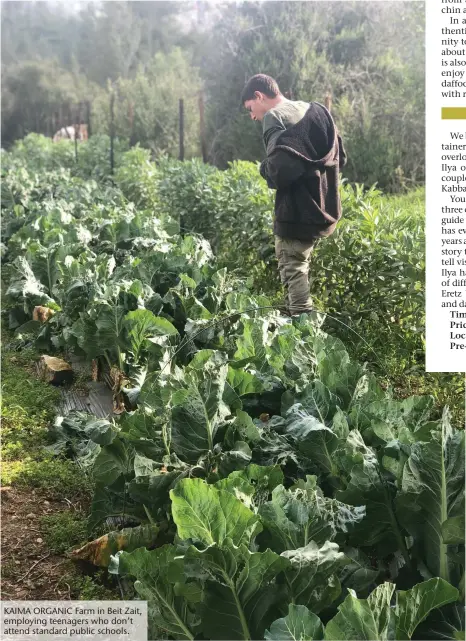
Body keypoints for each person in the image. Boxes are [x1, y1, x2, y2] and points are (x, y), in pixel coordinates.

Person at [241, 74, 347, 317]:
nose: (253, 116)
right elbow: (342, 157)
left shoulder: (274, 116)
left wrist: (262, 168)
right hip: (325, 208)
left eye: (250, 108)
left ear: (259, 96)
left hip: (297, 214)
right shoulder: (317, 110)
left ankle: (304, 338)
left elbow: (278, 172)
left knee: (294, 271)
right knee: (303, 270)